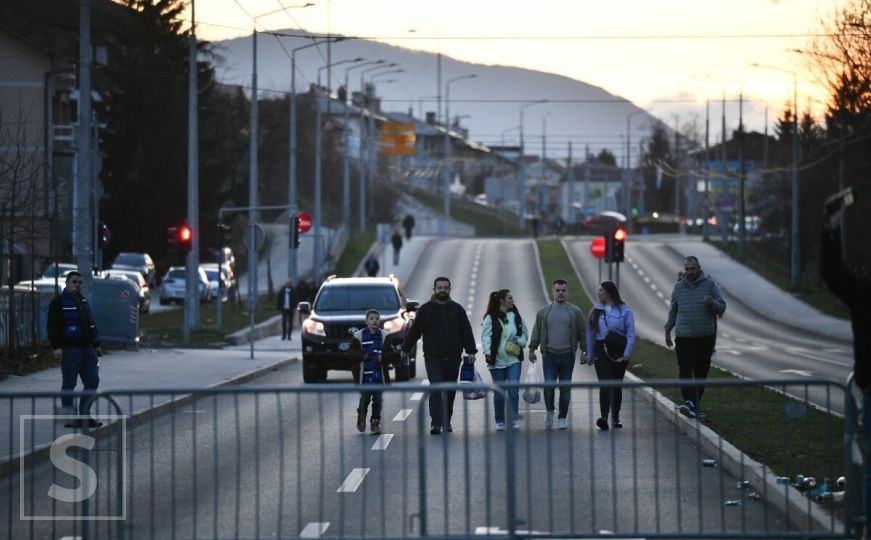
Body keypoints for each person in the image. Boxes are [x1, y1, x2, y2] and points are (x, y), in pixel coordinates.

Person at [820, 196, 869, 529]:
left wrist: (831, 228)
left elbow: (835, 274)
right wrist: (831, 229)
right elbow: (835, 274)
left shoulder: (863, 293)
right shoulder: (865, 294)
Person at [401, 277, 477, 434]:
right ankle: (435, 423)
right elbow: (414, 331)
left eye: (445, 287)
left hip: (453, 358)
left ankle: (446, 421)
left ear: (450, 290)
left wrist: (471, 351)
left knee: (449, 391)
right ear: (434, 289)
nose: (442, 290)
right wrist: (405, 349)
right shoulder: (425, 310)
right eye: (439, 287)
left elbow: (466, 331)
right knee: (436, 388)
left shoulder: (457, 310)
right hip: (433, 358)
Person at [664, 256, 726, 419]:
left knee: (701, 373)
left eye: (693, 268)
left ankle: (694, 404)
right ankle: (689, 403)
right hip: (684, 337)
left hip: (705, 337)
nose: (690, 272)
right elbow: (673, 311)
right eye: (687, 269)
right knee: (684, 370)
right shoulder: (678, 287)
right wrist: (667, 331)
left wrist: (712, 302)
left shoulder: (710, 285)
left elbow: (722, 308)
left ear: (699, 268)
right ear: (684, 270)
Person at [47, 271, 103, 429]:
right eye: (74, 281)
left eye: (79, 282)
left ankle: (85, 415)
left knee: (93, 382)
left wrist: (96, 344)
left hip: (87, 350)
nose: (77, 285)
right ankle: (68, 418)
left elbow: (90, 324)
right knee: (69, 384)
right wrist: (56, 347)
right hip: (70, 350)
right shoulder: (58, 302)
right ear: (66, 283)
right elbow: (52, 327)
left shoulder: (83, 301)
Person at [528, 279, 587, 429]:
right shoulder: (544, 312)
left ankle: (562, 417)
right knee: (549, 386)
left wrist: (585, 351)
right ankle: (549, 413)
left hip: (568, 356)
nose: (561, 293)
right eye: (558, 290)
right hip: (549, 356)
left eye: (563, 290)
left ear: (567, 292)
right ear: (553, 292)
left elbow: (582, 333)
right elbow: (537, 331)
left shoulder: (575, 312)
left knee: (565, 388)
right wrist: (532, 349)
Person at [586, 281, 636, 430]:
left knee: (616, 385)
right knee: (605, 383)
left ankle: (616, 417)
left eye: (600, 290)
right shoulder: (595, 310)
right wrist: (590, 354)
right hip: (601, 349)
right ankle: (604, 417)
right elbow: (590, 334)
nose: (598, 292)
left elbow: (631, 334)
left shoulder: (625, 310)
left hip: (618, 349)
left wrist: (627, 354)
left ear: (608, 292)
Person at [482, 289, 529, 431]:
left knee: (513, 390)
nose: (512, 300)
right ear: (502, 300)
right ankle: (500, 420)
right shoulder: (490, 318)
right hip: (497, 361)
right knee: (499, 392)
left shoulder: (517, 317)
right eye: (510, 298)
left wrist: (518, 340)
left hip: (514, 359)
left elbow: (525, 336)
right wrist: (488, 353)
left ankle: (514, 419)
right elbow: (485, 337)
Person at [348, 309, 393, 435]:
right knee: (365, 399)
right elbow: (351, 353)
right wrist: (362, 355)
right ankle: (361, 416)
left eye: (377, 319)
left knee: (378, 400)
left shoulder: (385, 336)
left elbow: (392, 354)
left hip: (379, 377)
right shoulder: (358, 336)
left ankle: (375, 422)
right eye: (372, 319)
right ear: (366, 321)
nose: (375, 321)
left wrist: (383, 358)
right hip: (365, 377)